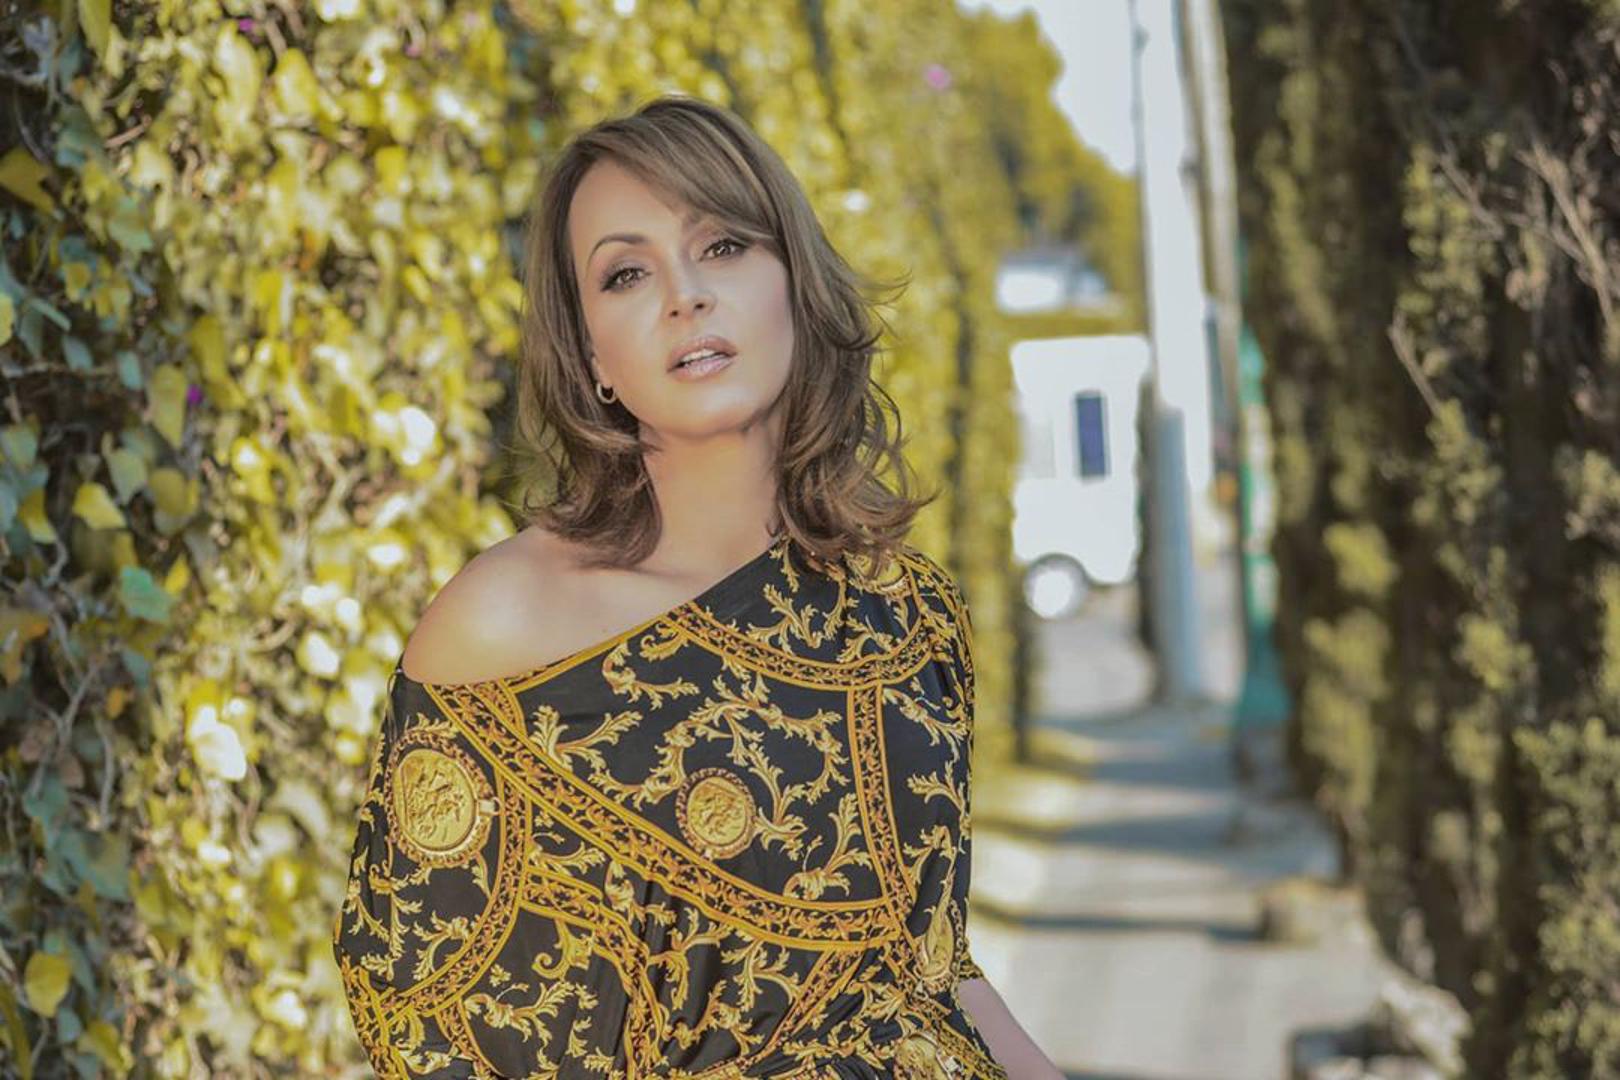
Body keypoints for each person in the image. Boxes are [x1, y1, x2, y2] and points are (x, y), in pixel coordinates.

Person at [332, 94, 1062, 1080]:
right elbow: (427, 1017)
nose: (686, 297)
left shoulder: (909, 615)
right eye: (627, 274)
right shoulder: (506, 628)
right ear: (592, 354)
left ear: (793, 280)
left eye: (722, 246)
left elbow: (931, 969)